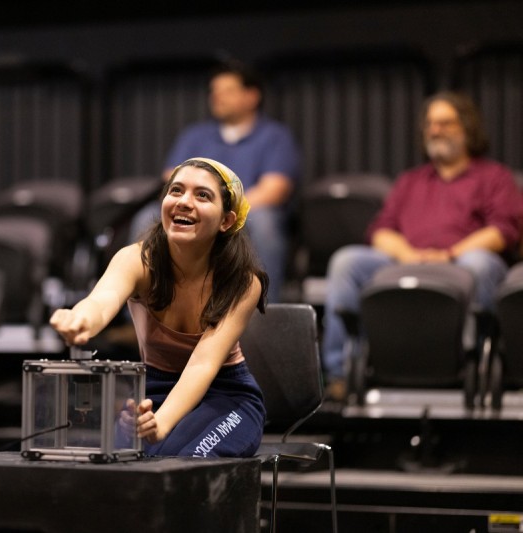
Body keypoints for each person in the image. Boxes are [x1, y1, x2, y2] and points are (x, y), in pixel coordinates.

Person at [51, 157, 268, 457]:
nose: (183, 202)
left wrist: (162, 423)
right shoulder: (137, 259)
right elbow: (102, 301)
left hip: (226, 395)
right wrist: (78, 319)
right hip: (153, 391)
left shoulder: (243, 281)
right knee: (123, 467)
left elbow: (203, 364)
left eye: (202, 195)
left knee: (186, 463)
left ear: (226, 221)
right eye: (176, 191)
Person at [321, 91, 523, 399]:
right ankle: (340, 372)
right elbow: (380, 230)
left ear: (467, 128)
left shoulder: (494, 177)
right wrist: (409, 255)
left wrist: (450, 255)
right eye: (430, 124)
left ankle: (478, 361)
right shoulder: (410, 181)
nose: (434, 130)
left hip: (463, 263)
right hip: (409, 261)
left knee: (479, 263)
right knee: (347, 260)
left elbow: (503, 231)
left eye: (445, 123)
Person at [128, 59, 301, 304]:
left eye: (227, 91)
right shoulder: (195, 136)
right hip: (200, 211)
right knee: (145, 219)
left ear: (251, 96)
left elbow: (274, 190)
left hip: (245, 215)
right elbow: (169, 182)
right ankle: (143, 311)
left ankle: (265, 310)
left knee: (264, 221)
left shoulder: (275, 137)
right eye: (214, 91)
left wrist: (222, 212)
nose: (217, 97)